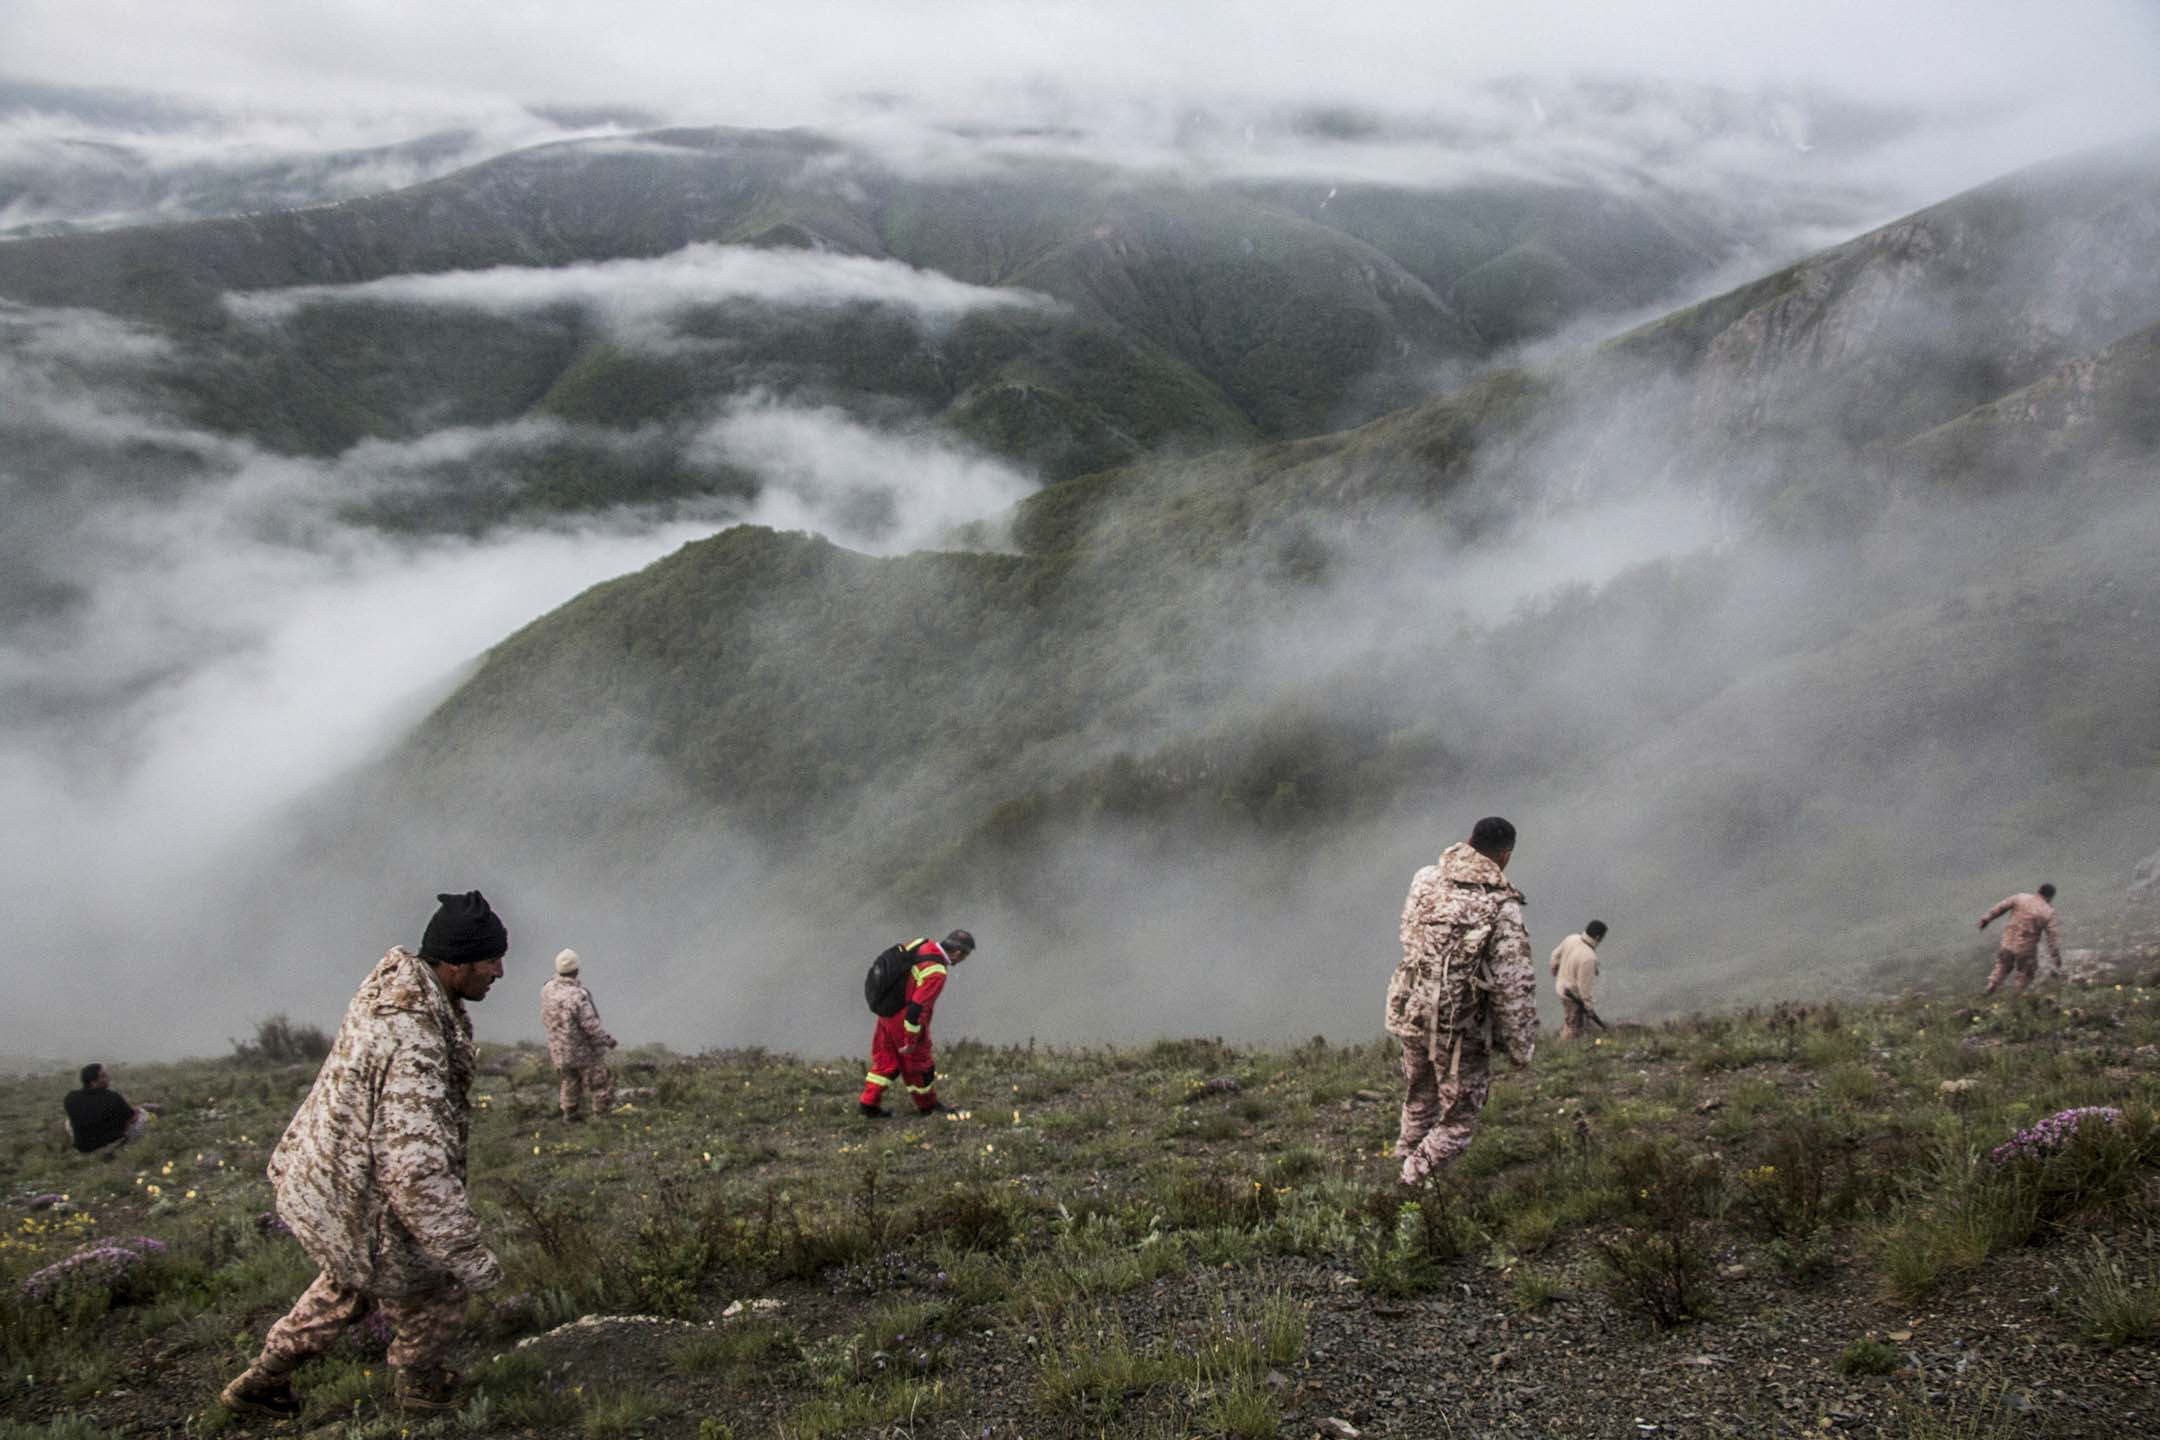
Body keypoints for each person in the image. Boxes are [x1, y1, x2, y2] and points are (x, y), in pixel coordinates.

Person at [221, 892, 510, 1419]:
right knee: (435, 1282)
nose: (500, 971)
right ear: (456, 962)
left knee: (348, 1283)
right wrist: (470, 1258)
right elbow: (414, 1170)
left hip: (330, 1182)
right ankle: (422, 1387)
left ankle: (263, 1380)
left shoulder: (394, 992)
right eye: (491, 959)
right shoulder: (415, 1040)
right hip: (362, 1195)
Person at [1385, 817, 1536, 1187]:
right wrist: (1520, 1047)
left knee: (1419, 1096)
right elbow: (1512, 984)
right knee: (1459, 1120)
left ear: (1469, 841)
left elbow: (1408, 933)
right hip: (1458, 1027)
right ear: (1504, 856)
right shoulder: (1501, 904)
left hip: (1411, 1010)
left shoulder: (1425, 878)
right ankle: (1410, 1185)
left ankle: (1406, 1157)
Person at [859, 930, 975, 1119]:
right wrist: (911, 1039)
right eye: (965, 957)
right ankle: (928, 1106)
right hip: (904, 1018)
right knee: (919, 1064)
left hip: (888, 1009)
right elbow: (918, 1008)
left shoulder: (921, 943)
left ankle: (868, 1103)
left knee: (885, 1058)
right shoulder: (936, 971)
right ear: (958, 953)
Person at [540, 948, 617, 1121]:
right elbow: (590, 1025)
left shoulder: (547, 990)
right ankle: (602, 1117)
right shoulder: (577, 995)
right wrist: (606, 1040)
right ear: (576, 969)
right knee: (599, 1082)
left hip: (559, 1049)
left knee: (569, 1081)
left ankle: (569, 1114)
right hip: (582, 1050)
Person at [1979, 883, 2064, 995]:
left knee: (2002, 965)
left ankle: (1991, 986)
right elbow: (2053, 937)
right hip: (2025, 948)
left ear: (2038, 890)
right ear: (2051, 897)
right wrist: (2056, 956)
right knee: (2025, 973)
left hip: (2007, 942)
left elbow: (2000, 908)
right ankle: (2016, 996)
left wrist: (1986, 919)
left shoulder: (2020, 898)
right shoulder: (2048, 912)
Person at [62, 1063, 154, 1156]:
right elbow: (132, 1119)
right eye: (104, 1076)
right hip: (107, 1142)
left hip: (83, 1146)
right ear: (93, 1082)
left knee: (68, 1121)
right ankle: (118, 1145)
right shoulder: (112, 1097)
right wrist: (138, 1110)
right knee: (143, 1115)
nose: (108, 1078)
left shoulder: (71, 1097)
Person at [1549, 921, 1608, 1040]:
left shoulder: (1572, 938)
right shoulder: (1589, 958)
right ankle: (1563, 1049)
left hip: (1561, 987)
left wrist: (1554, 970)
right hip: (1572, 996)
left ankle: (1576, 1043)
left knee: (1573, 1021)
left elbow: (1555, 955)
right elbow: (1585, 988)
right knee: (1573, 1027)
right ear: (1597, 937)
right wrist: (1589, 1007)